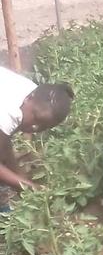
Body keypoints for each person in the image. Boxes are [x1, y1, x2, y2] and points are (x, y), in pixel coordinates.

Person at [0, 66, 74, 211]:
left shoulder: (35, 95)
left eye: (43, 127)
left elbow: (4, 139)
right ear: (29, 99)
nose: (34, 128)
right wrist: (30, 188)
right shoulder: (9, 110)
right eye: (36, 119)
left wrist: (19, 176)